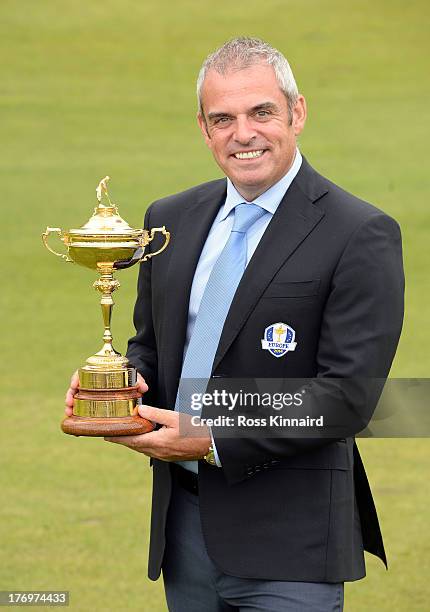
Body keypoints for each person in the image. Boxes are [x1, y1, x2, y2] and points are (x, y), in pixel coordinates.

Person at [66, 37, 404, 611]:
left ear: (297, 113)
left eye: (261, 112)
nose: (242, 134)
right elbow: (150, 345)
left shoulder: (360, 232)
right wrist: (121, 387)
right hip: (185, 528)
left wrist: (211, 431)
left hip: (291, 541)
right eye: (223, 118)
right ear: (203, 128)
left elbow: (347, 396)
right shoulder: (168, 219)